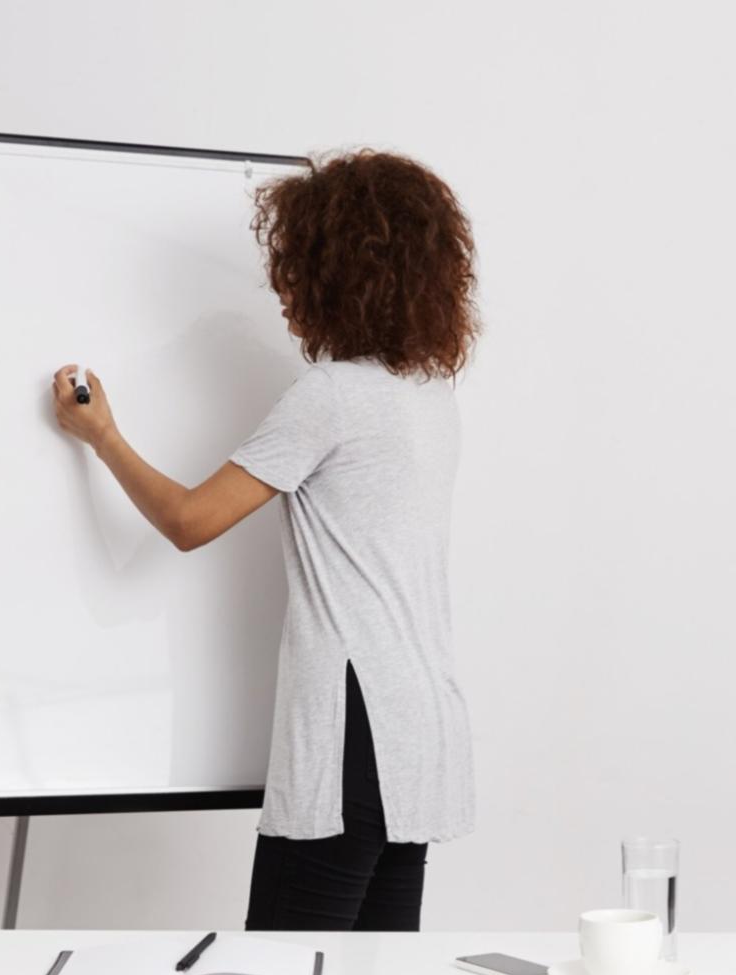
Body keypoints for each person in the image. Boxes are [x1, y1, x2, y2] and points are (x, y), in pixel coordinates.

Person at [50, 148, 479, 931]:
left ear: (335, 274)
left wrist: (102, 435)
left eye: (294, 270)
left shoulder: (331, 397)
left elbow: (190, 522)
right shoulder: (429, 397)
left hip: (353, 729)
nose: (283, 291)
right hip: (419, 728)